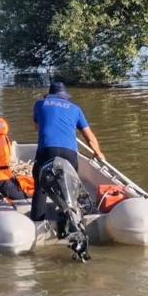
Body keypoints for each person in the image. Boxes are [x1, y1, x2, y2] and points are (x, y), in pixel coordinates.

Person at [30, 82, 104, 221]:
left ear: (49, 94)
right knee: (70, 185)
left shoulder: (40, 104)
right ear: (65, 97)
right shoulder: (76, 109)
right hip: (69, 152)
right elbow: (89, 136)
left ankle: (37, 219)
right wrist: (98, 152)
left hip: (47, 150)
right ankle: (74, 218)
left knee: (41, 185)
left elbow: (37, 128)